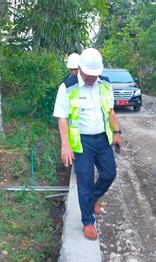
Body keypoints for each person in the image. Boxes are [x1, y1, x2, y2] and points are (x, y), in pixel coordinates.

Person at [53, 48, 123, 240]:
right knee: (85, 182)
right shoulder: (67, 87)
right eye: (89, 74)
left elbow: (110, 112)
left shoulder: (105, 85)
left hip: (102, 139)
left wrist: (117, 132)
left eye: (95, 74)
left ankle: (92, 199)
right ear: (80, 69)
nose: (92, 78)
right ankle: (88, 221)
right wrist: (65, 145)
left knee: (110, 173)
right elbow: (62, 118)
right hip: (81, 142)